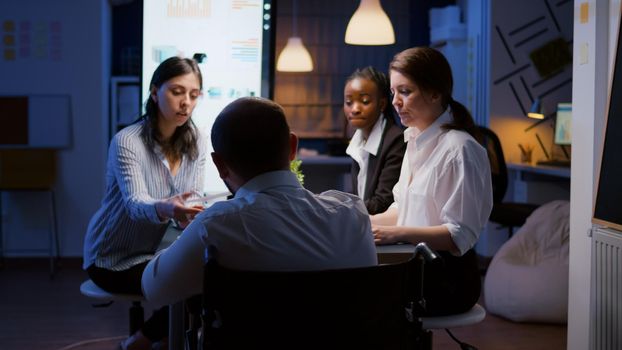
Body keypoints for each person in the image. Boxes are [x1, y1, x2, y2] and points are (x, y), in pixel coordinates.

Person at [141, 96, 378, 307]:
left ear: (219, 164)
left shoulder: (214, 227)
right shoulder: (352, 214)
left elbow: (154, 290)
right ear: (292, 147)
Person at [82, 56, 208, 349]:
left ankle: (155, 340)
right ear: (154, 92)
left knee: (206, 280)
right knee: (190, 286)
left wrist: (192, 213)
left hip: (152, 251)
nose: (186, 102)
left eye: (193, 94)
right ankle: (139, 342)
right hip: (110, 257)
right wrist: (169, 208)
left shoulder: (198, 140)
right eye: (177, 92)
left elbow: (193, 196)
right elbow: (136, 204)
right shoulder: (128, 140)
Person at [371, 47, 493, 316]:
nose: (395, 102)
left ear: (435, 92)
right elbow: (402, 210)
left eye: (404, 91)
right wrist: (359, 220)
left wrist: (396, 233)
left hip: (447, 279)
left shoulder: (461, 149)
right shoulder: (414, 139)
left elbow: (457, 235)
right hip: (415, 270)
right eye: (393, 93)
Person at [344, 66, 406, 214]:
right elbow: (357, 197)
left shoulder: (397, 141)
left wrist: (341, 212)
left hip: (386, 231)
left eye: (364, 101)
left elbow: (383, 202)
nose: (355, 109)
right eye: (348, 102)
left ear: (382, 104)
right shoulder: (358, 140)